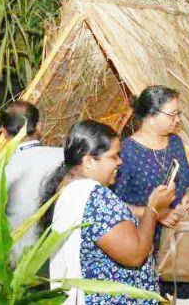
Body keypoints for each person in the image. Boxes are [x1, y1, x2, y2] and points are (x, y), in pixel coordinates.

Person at [44, 120, 176, 304]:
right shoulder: (96, 198)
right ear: (89, 161)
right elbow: (135, 255)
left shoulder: (71, 189)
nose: (120, 162)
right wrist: (153, 209)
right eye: (114, 156)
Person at [113, 85, 189, 298]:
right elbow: (115, 204)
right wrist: (155, 213)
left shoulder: (175, 143)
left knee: (183, 297)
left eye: (178, 114)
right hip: (144, 247)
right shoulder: (126, 152)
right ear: (152, 116)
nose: (178, 120)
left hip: (180, 241)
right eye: (173, 114)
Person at [2, 101, 63, 266]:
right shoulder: (64, 158)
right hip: (59, 258)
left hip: (18, 265)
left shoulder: (0, 172)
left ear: (4, 133)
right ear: (39, 127)